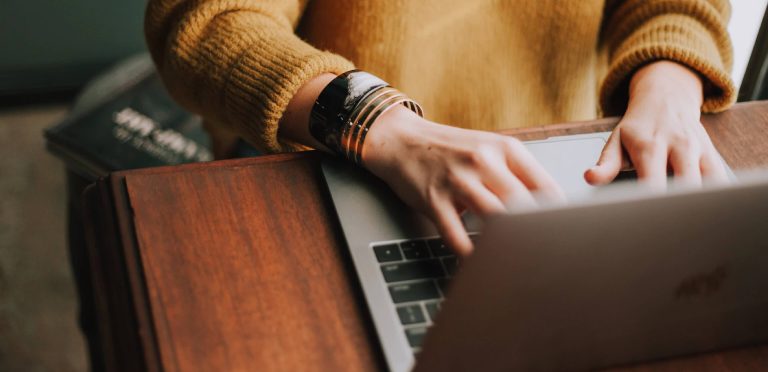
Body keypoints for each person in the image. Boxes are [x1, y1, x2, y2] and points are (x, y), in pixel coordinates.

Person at [145, 0, 736, 255]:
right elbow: (204, 22)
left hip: (565, 176)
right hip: (334, 163)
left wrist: (670, 80)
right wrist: (378, 123)